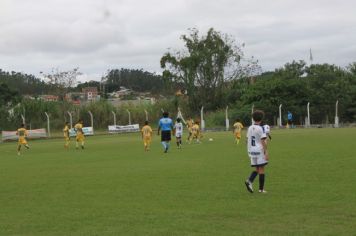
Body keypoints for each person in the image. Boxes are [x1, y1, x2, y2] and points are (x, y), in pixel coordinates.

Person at [245, 110, 269, 194]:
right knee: (262, 169)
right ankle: (261, 189)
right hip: (259, 150)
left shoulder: (250, 127)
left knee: (257, 169)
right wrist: (266, 152)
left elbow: (247, 140)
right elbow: (263, 141)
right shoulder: (261, 128)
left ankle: (250, 181)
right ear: (262, 118)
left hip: (251, 150)